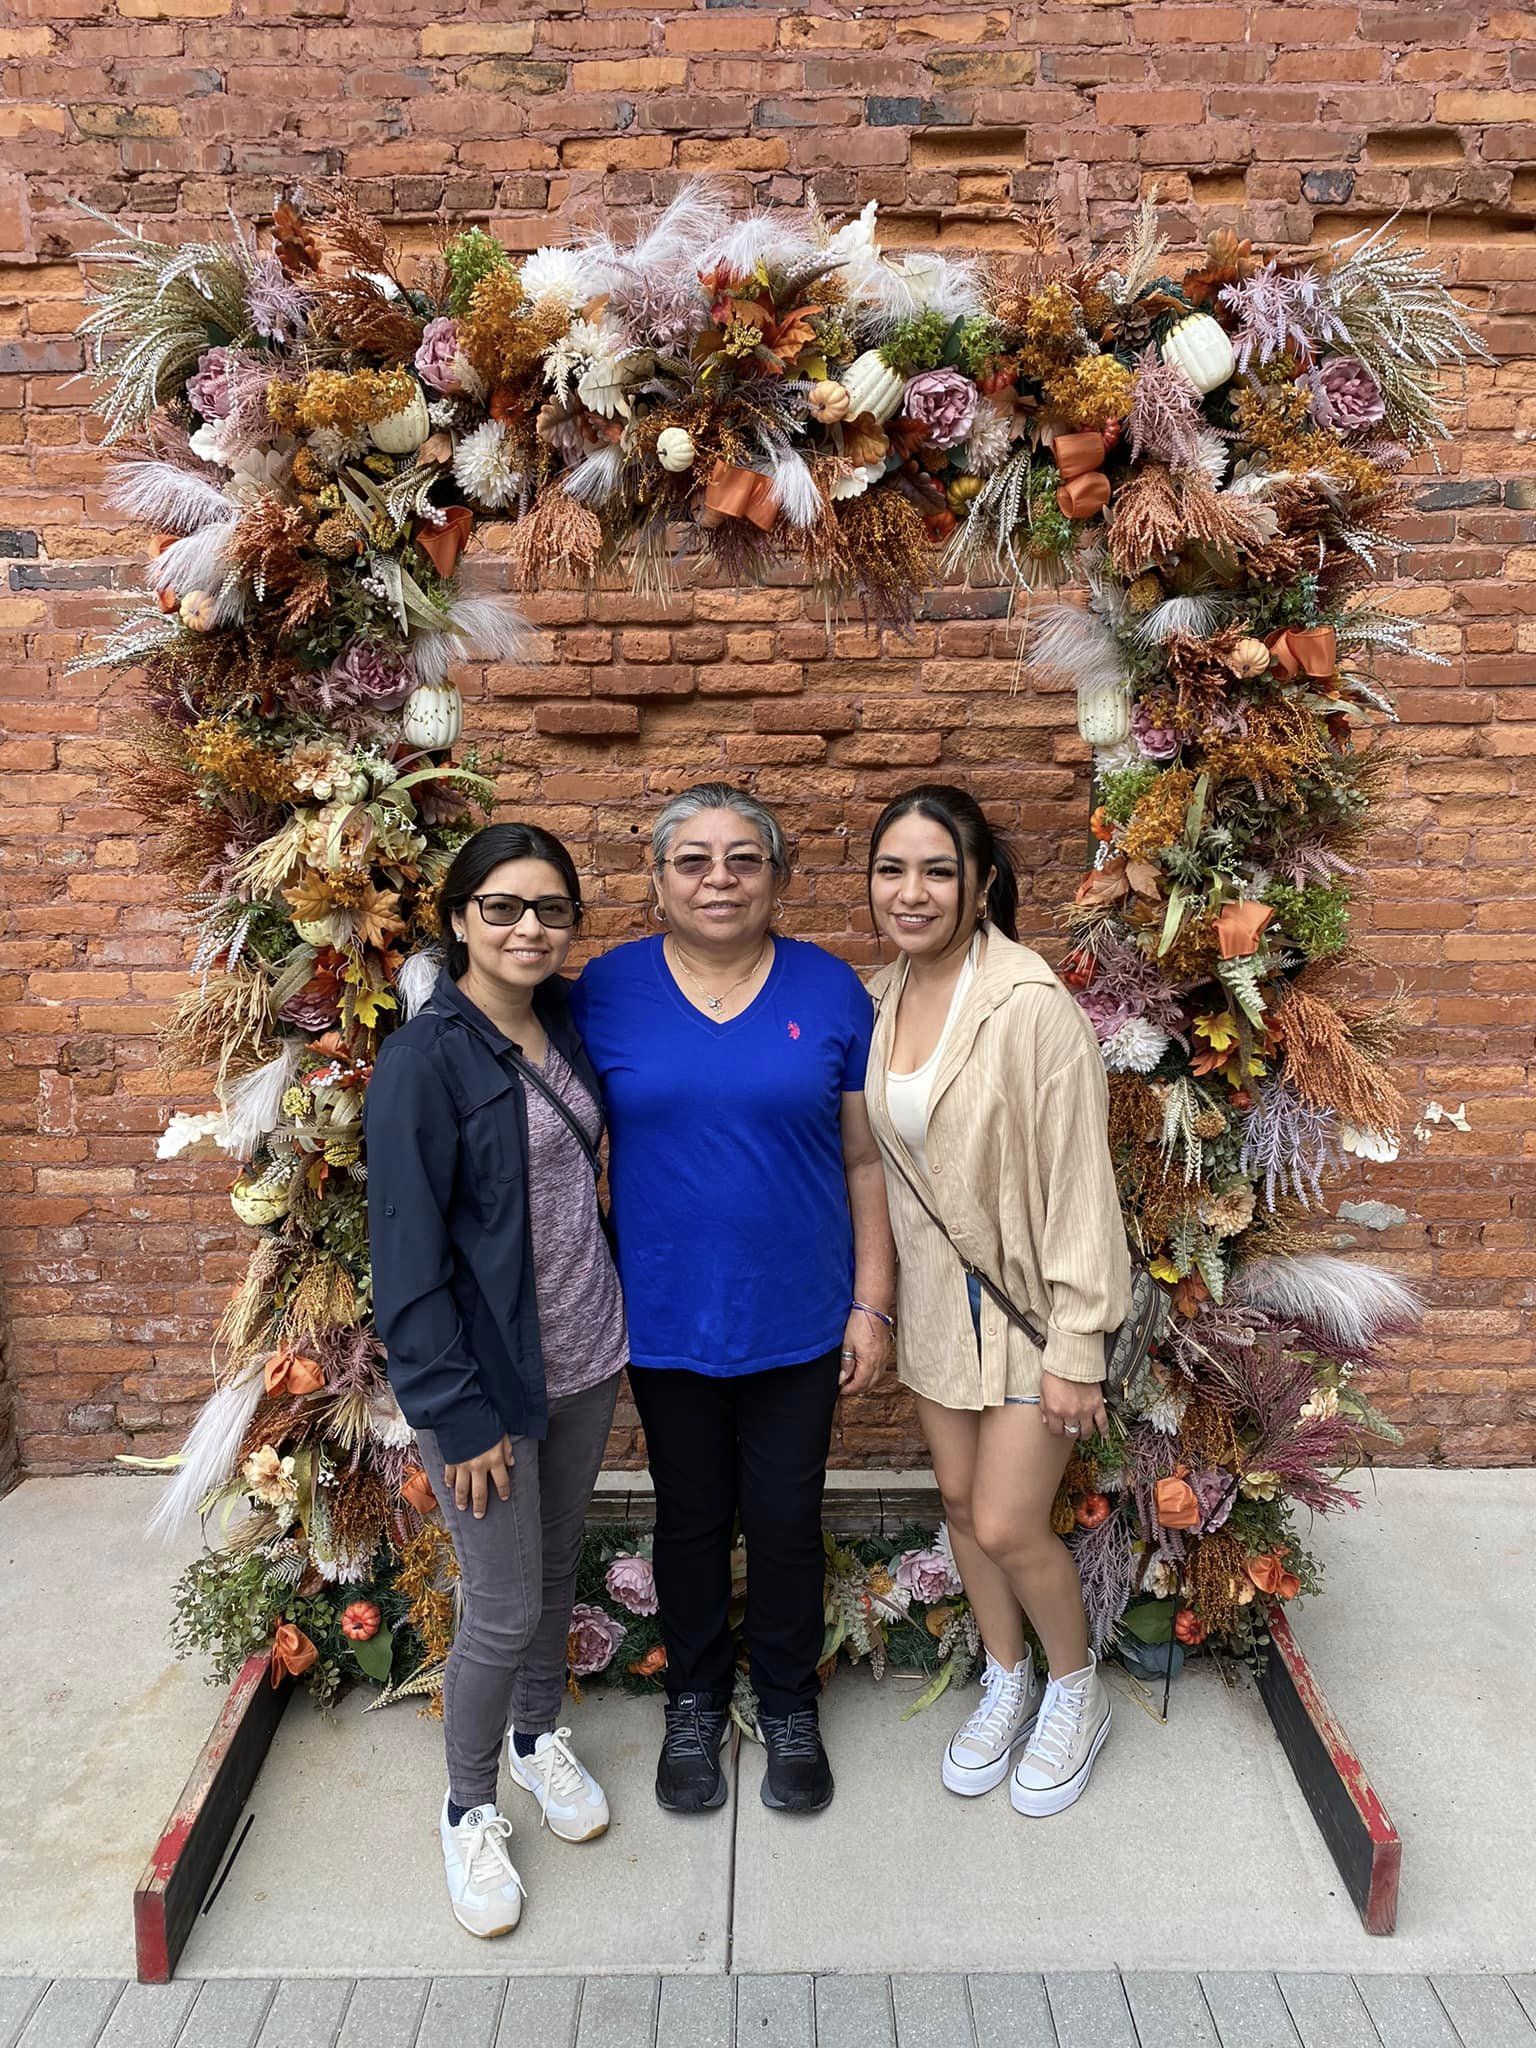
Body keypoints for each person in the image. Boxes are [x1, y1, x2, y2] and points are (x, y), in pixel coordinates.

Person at [570, 783, 895, 1818]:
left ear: (778, 876)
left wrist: (872, 1302)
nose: (720, 878)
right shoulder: (602, 992)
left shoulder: (832, 987)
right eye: (695, 860)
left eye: (743, 859)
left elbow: (865, 1158)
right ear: (657, 878)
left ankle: (790, 1700)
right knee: (692, 1514)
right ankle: (696, 1696)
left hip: (798, 1308)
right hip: (662, 1310)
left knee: (789, 1516)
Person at [365, 823, 627, 1939]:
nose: (529, 927)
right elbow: (406, 1259)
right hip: (485, 1384)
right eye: (504, 906)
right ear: (460, 917)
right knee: (503, 1601)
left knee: (555, 1562)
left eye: (551, 908)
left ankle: (535, 1736)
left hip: (587, 1354)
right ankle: (468, 1803)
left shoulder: (565, 1022)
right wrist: (455, 1410)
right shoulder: (425, 1059)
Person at [862, 785, 1130, 1819]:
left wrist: (1077, 1340)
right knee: (967, 1511)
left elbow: (1078, 1180)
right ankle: (1005, 1674)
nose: (913, 890)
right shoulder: (877, 998)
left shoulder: (1028, 1003)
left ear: (982, 886)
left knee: (1016, 1518)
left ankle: (1074, 1687)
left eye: (937, 870)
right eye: (893, 869)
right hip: (938, 1310)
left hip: (1031, 1310)